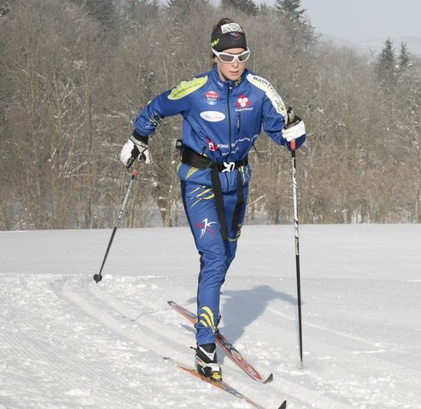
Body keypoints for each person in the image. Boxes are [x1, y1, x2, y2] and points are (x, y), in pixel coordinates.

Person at [118, 18, 306, 381]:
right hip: (200, 180)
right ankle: (205, 345)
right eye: (227, 56)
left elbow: (282, 130)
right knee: (215, 256)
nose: (236, 63)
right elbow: (156, 107)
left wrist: (295, 134)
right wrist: (138, 140)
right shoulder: (195, 89)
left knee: (227, 253)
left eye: (242, 56)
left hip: (238, 182)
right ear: (214, 54)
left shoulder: (260, 90)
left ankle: (208, 304)